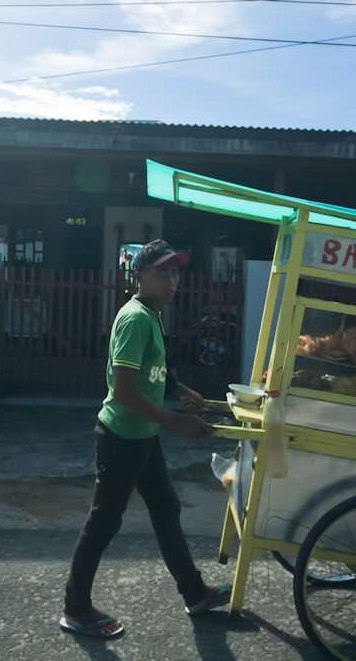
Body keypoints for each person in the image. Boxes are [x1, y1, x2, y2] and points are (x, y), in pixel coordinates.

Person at [60, 240, 231, 639]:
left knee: (166, 508)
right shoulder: (135, 318)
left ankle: (194, 592)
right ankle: (75, 609)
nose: (171, 281)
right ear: (140, 275)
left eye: (175, 273)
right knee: (103, 522)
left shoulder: (152, 315)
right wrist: (174, 421)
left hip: (144, 435)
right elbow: (123, 391)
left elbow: (154, 371)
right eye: (162, 273)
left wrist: (182, 390)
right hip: (122, 436)